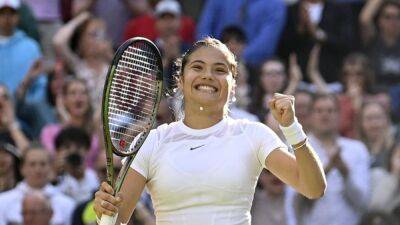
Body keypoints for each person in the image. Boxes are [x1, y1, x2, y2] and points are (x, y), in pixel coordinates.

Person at [93, 37, 326, 225]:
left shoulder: (253, 134)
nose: (207, 75)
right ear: (181, 81)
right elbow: (116, 218)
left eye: (219, 69)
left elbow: (313, 188)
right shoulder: (153, 141)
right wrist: (104, 208)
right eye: (197, 67)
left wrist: (292, 129)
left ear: (233, 85)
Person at [288, 94, 370, 225]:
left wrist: (345, 173)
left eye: (330, 110)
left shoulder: (357, 150)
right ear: (310, 116)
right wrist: (326, 170)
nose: (325, 115)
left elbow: (363, 203)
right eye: (319, 110)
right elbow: (293, 204)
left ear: (339, 115)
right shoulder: (295, 150)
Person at [0, 147, 75, 225]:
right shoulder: (2, 201)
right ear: (22, 168)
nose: (38, 170)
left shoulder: (67, 204)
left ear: (50, 167)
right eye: (32, 164)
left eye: (43, 164)